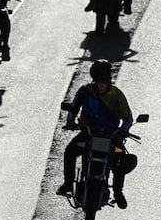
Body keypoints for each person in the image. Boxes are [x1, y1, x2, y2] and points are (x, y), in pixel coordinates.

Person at [57, 59, 136, 209]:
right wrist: (71, 122)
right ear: (94, 79)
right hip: (88, 135)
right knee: (70, 152)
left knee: (121, 158)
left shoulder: (117, 95)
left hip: (111, 138)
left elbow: (128, 117)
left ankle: (118, 192)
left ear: (109, 79)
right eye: (99, 81)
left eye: (104, 81)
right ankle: (68, 183)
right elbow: (73, 109)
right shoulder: (84, 91)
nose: (101, 84)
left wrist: (123, 131)